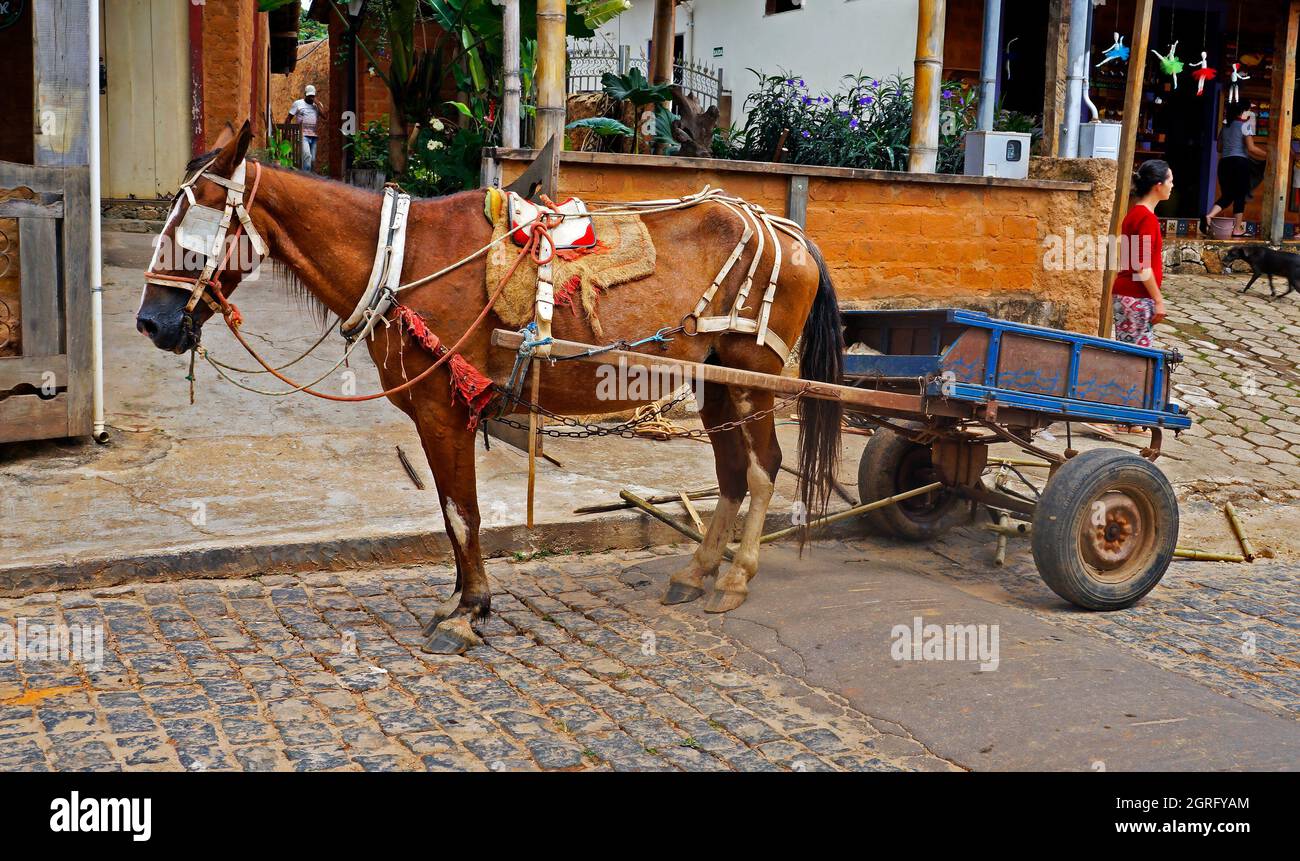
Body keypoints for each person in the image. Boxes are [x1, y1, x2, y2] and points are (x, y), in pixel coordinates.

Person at [1112, 160, 1172, 348]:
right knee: (1137, 359)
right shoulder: (1146, 219)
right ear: (1158, 185)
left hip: (1127, 295)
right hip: (1136, 297)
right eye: (1170, 181)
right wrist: (1158, 300)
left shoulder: (1135, 214)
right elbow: (1142, 266)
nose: (1172, 186)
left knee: (1130, 355)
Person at [1203, 101, 1267, 237]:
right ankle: (1237, 229)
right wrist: (1271, 156)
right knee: (1239, 196)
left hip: (1224, 163)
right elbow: (1251, 149)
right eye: (1248, 111)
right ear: (1242, 112)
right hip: (1239, 163)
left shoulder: (1225, 127)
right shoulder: (1245, 126)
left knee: (1227, 195)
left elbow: (1219, 148)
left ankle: (1209, 215)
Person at [285, 84, 323, 172]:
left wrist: (317, 104)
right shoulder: (298, 103)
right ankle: (306, 178)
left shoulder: (318, 105)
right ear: (305, 94)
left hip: (314, 136)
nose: (311, 98)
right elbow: (288, 118)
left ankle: (306, 175)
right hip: (302, 135)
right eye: (309, 96)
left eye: (312, 96)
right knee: (307, 156)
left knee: (312, 160)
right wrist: (287, 132)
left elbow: (325, 116)